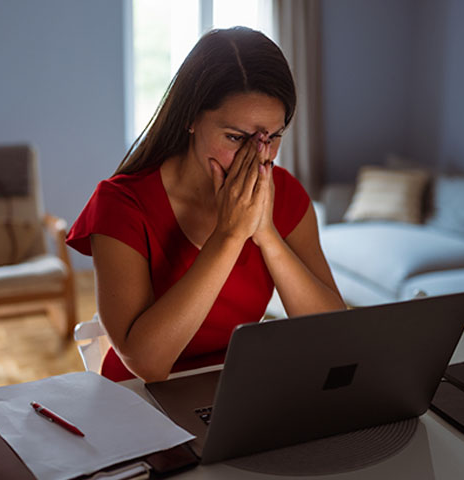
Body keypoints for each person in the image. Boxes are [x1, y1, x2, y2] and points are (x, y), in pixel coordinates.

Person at [66, 27, 344, 382]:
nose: (257, 157)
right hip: (140, 398)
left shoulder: (285, 195)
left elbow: (332, 334)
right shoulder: (122, 204)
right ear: (191, 118)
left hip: (231, 385)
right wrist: (229, 236)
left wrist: (267, 236)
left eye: (272, 138)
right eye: (236, 137)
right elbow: (147, 363)